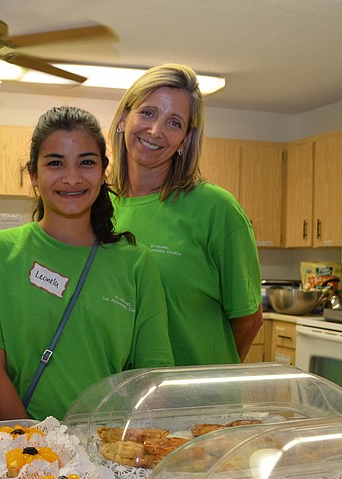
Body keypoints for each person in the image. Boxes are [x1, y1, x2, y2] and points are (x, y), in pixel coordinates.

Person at [0, 106, 174, 422]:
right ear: (33, 174)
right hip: (14, 448)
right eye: (55, 163)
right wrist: (33, 448)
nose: (71, 178)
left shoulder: (136, 263)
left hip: (101, 451)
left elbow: (151, 379)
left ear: (103, 170)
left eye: (86, 163)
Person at [108, 63, 263, 366]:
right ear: (125, 118)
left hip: (198, 403)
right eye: (148, 112)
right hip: (126, 397)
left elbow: (248, 320)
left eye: (174, 123)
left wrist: (206, 381)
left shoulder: (216, 209)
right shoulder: (99, 206)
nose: (155, 131)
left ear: (186, 139)